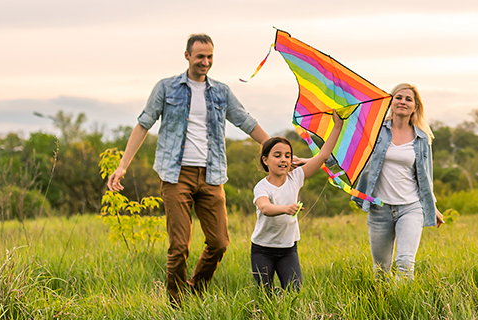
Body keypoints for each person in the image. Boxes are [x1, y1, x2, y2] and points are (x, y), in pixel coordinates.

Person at [106, 33, 270, 305]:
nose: (205, 62)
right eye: (200, 57)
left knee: (219, 243)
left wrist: (278, 148)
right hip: (175, 175)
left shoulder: (221, 91)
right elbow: (143, 124)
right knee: (179, 246)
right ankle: (177, 304)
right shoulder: (166, 88)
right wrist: (122, 166)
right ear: (187, 56)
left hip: (211, 176)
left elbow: (246, 122)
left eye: (210, 57)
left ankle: (194, 290)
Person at [355, 83, 444, 280]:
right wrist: (313, 161)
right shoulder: (376, 131)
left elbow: (426, 176)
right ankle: (384, 308)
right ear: (391, 101)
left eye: (408, 99)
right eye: (399, 97)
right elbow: (350, 154)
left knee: (405, 263)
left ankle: (402, 306)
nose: (403, 102)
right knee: (381, 271)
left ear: (415, 107)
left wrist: (432, 206)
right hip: (380, 208)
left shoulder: (422, 138)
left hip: (410, 208)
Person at [249, 115, 343, 293]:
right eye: (277, 156)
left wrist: (337, 126)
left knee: (294, 292)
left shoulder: (296, 177)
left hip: (288, 249)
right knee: (265, 294)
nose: (283, 159)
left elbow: (323, 155)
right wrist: (285, 209)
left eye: (287, 155)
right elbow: (265, 208)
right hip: (262, 250)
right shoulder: (262, 187)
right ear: (265, 160)